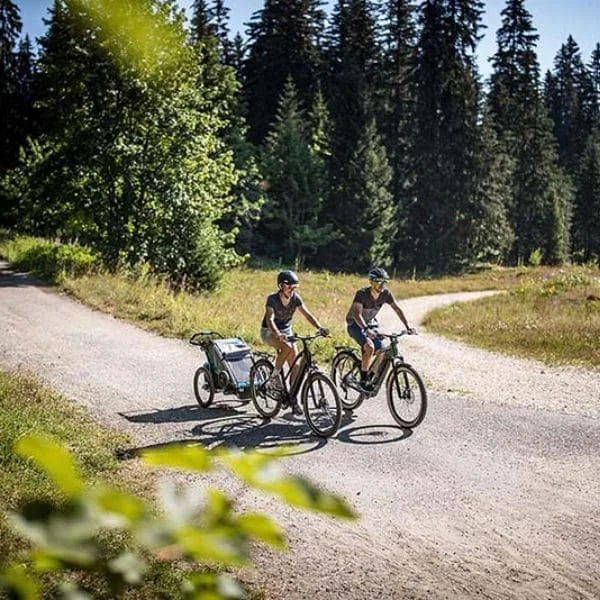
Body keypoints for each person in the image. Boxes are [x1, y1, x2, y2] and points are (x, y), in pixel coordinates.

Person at [260, 270, 329, 414]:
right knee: (286, 348)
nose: (292, 290)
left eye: (294, 287)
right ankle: (274, 377)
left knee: (296, 366)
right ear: (281, 286)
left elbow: (307, 315)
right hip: (269, 331)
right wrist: (277, 334)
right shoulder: (272, 299)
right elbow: (269, 319)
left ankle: (292, 398)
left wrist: (319, 327)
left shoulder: (295, 299)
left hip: (286, 332)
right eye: (289, 287)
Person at [345, 267, 415, 393]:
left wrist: (407, 326)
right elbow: (357, 314)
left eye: (384, 282)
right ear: (371, 282)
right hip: (355, 325)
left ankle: (370, 375)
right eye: (379, 282)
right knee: (369, 347)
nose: (382, 285)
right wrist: (366, 329)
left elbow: (397, 309)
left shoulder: (385, 294)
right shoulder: (362, 294)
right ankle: (363, 379)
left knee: (382, 350)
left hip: (370, 325)